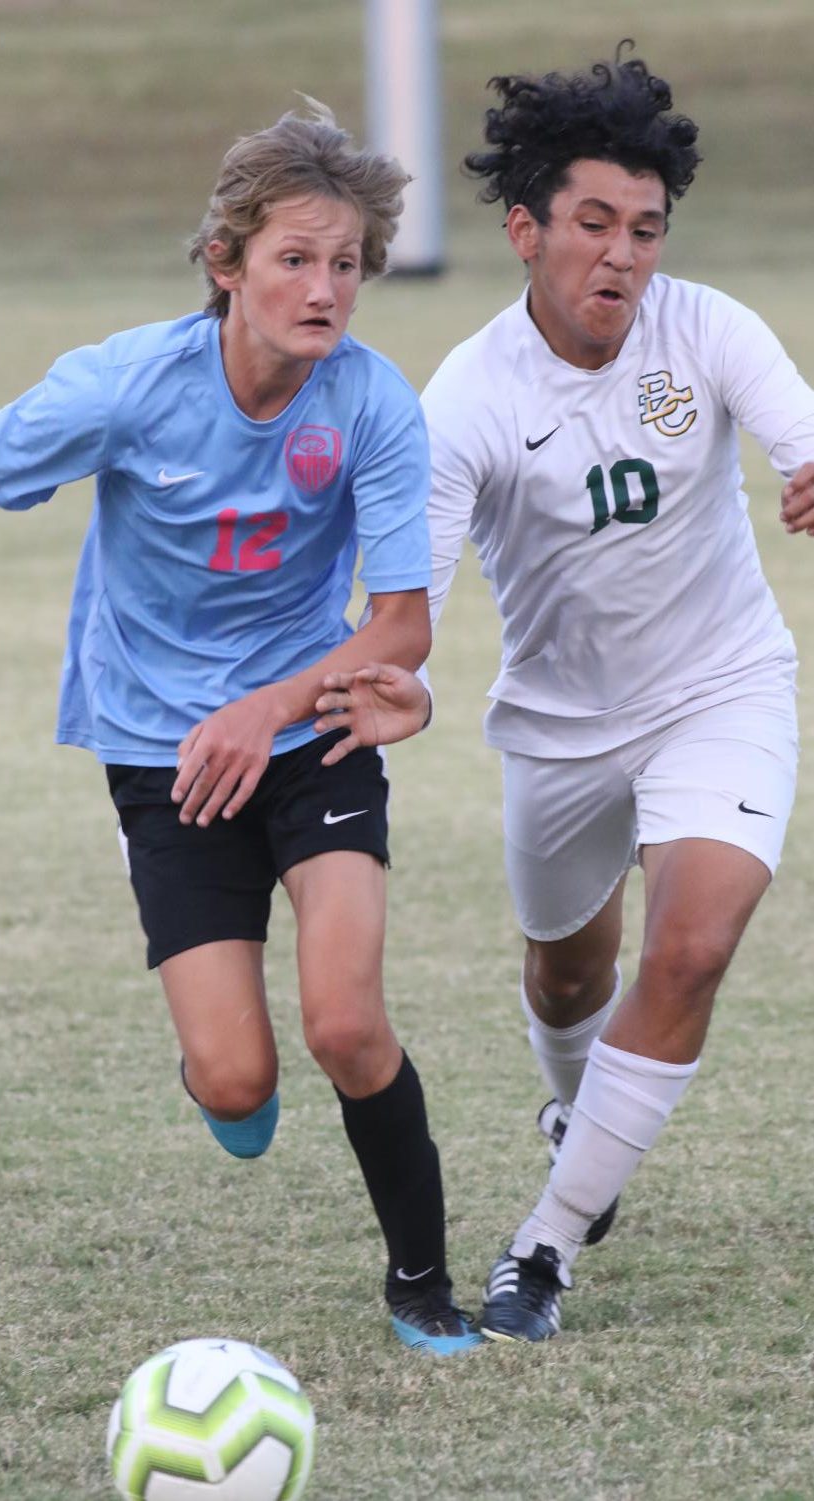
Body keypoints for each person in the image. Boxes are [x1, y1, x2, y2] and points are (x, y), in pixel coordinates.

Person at [0, 102, 479, 1356]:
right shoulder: (125, 385)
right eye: (293, 258)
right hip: (159, 755)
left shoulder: (373, 405)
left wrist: (275, 702)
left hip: (312, 731)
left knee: (344, 1019)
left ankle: (421, 1283)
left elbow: (397, 628)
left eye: (344, 263)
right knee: (237, 1084)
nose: (324, 287)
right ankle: (220, 1064)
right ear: (225, 263)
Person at [315, 47, 814, 1342]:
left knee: (690, 945)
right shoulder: (469, 400)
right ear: (525, 228)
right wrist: (381, 682)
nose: (623, 256)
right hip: (556, 731)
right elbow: (401, 613)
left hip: (722, 686)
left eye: (645, 229)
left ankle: (542, 1244)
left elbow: (797, 429)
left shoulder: (705, 332)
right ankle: (576, 1107)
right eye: (593, 223)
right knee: (561, 976)